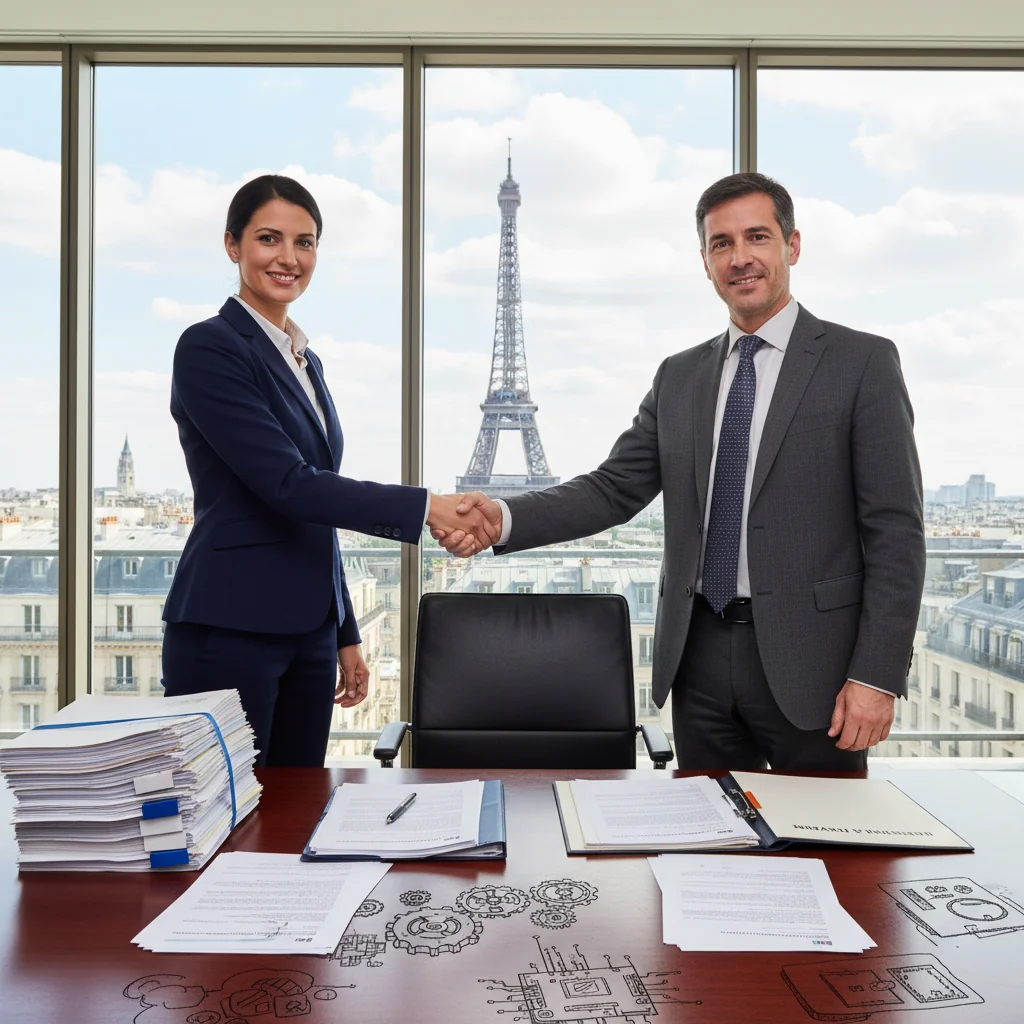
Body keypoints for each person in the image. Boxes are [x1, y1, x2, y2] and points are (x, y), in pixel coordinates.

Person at [435, 172, 925, 771]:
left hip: (814, 669)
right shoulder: (680, 376)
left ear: (792, 246)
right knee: (712, 852)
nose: (740, 258)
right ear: (705, 261)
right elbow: (613, 490)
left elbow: (896, 534)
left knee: (823, 852)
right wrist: (502, 516)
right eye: (722, 244)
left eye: (757, 237)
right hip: (699, 662)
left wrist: (876, 675)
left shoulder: (862, 362)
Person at [162, 174, 496, 766]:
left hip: (308, 632)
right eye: (269, 239)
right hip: (231, 627)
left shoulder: (304, 360)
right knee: (224, 819)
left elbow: (316, 511)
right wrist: (428, 507)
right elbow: (287, 485)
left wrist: (343, 631)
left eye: (305, 242)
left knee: (295, 812)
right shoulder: (209, 347)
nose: (288, 258)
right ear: (233, 245)